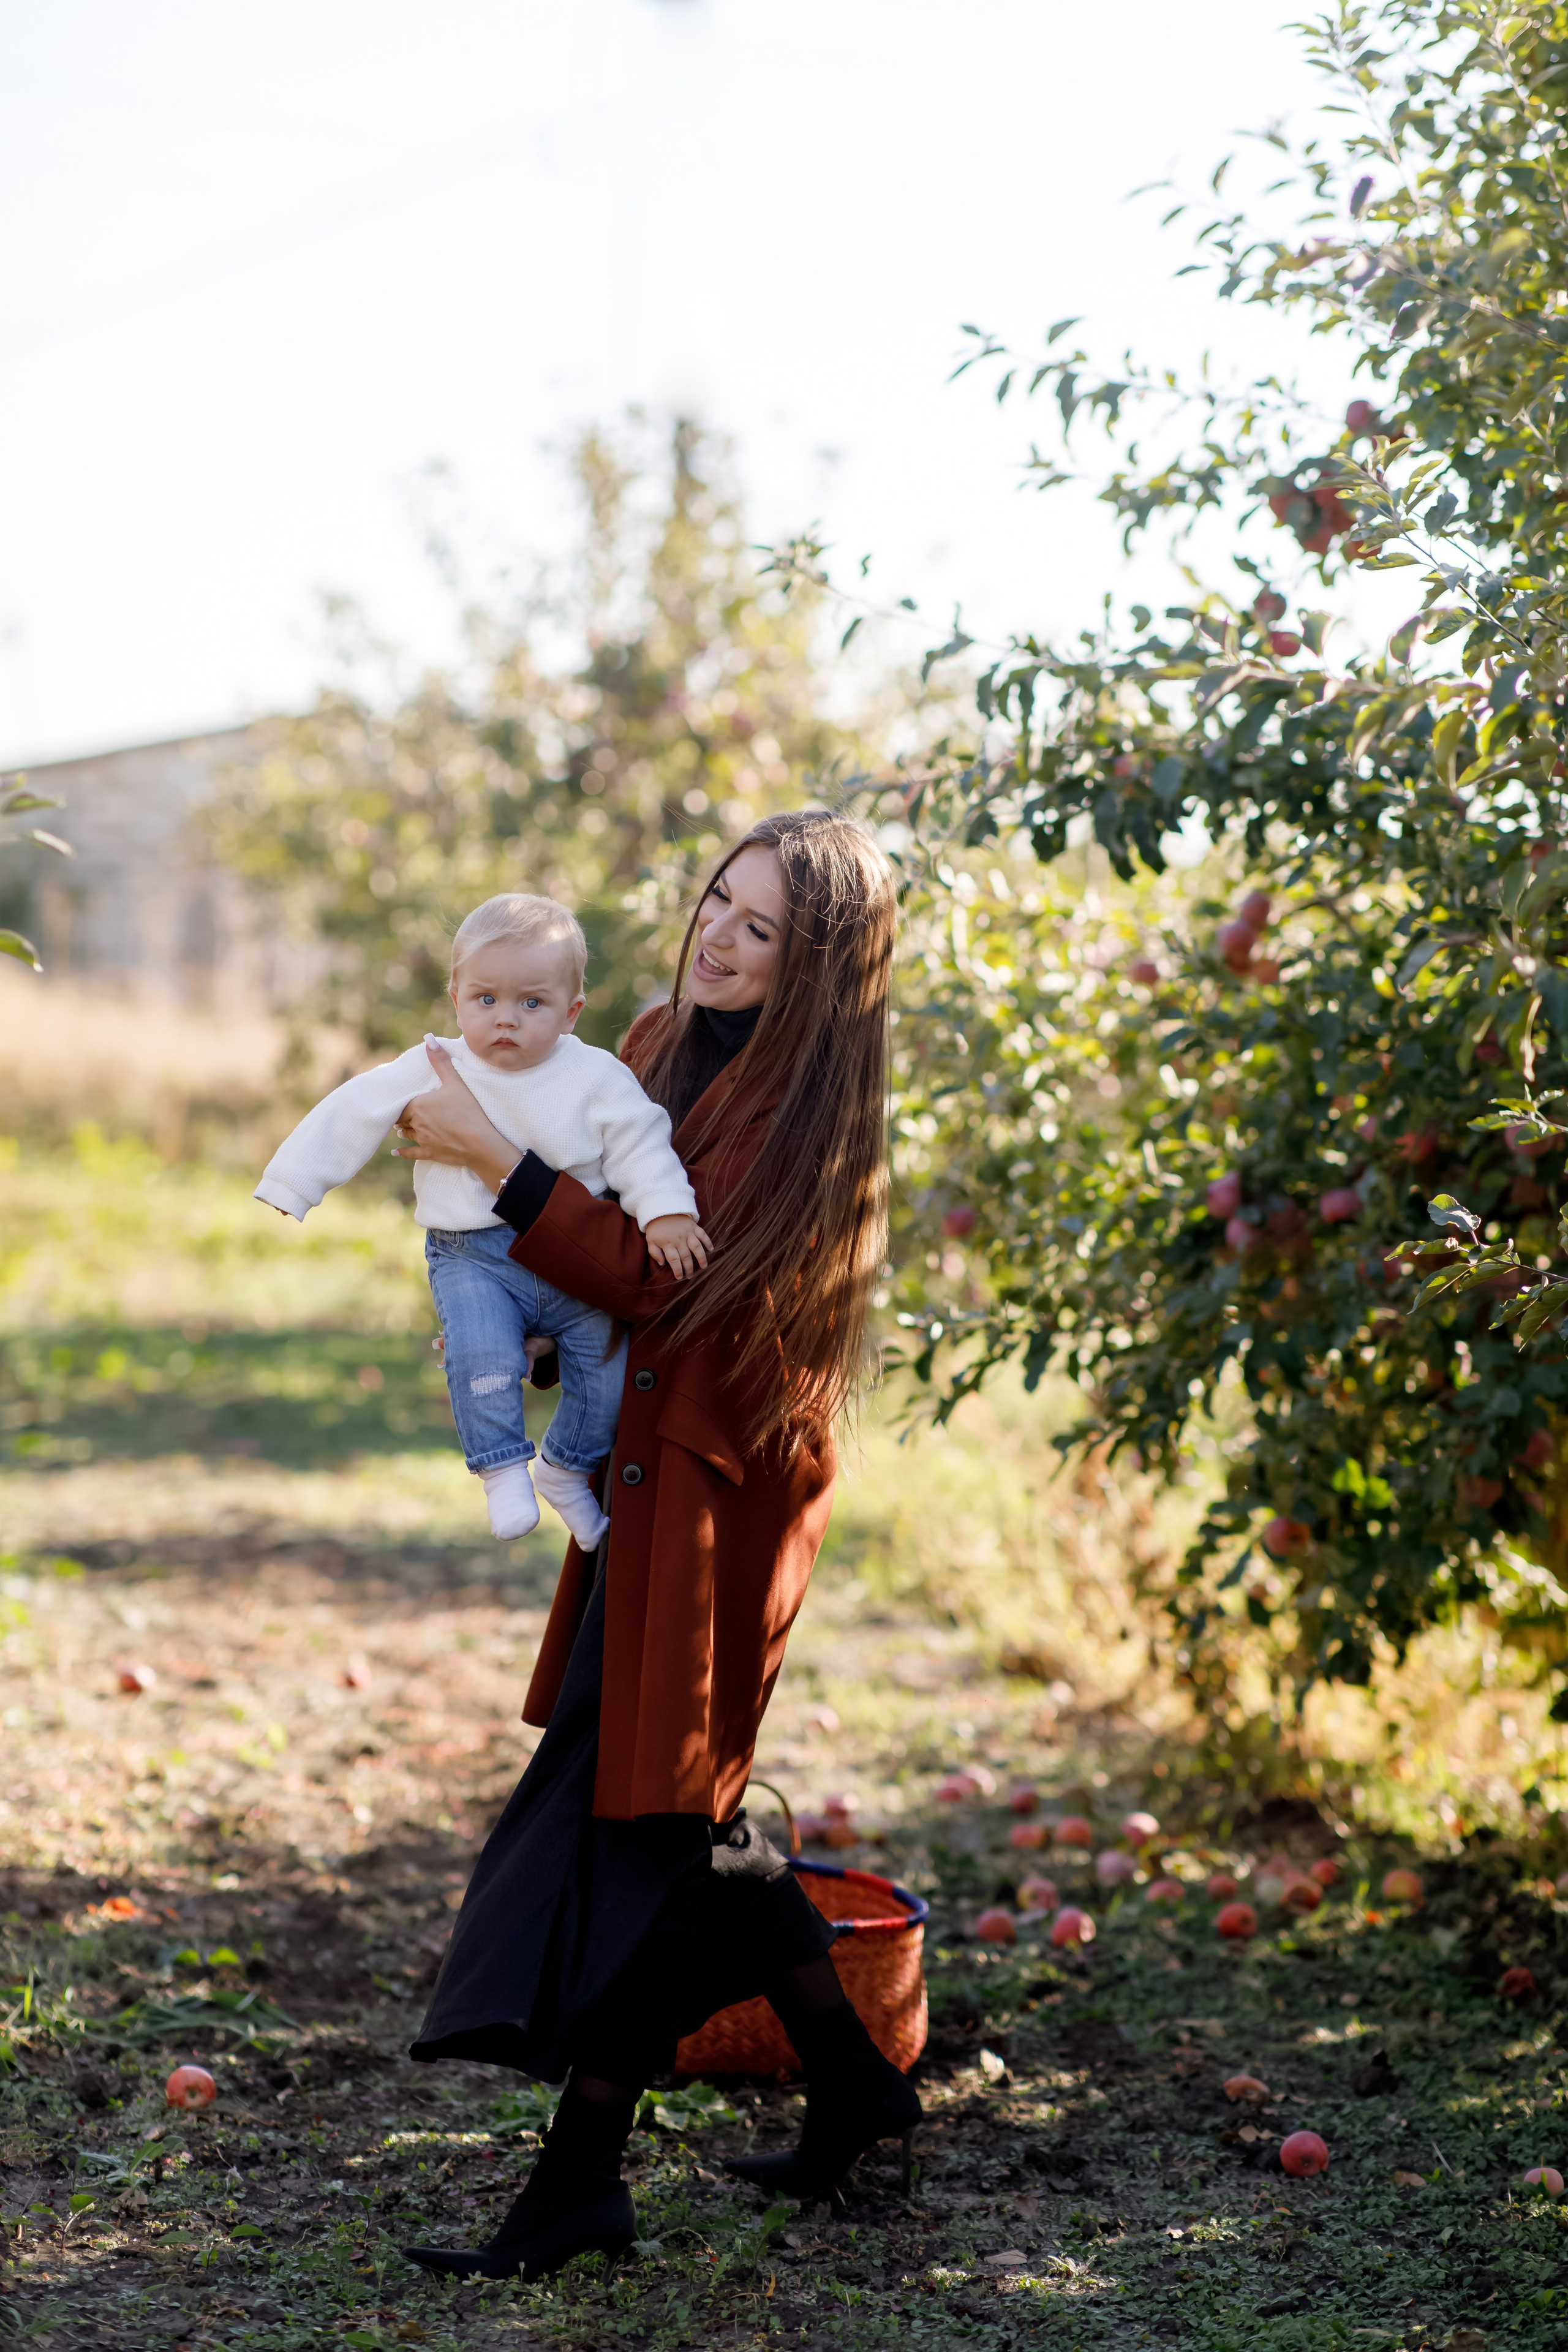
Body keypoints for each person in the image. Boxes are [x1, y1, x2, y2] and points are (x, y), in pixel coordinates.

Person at [391, 811, 919, 2283]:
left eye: (762, 929)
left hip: (721, 1495)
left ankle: (578, 2181)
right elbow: (605, 1271)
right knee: (673, 1812)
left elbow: (665, 1284)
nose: (718, 939)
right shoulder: (647, 1042)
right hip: (646, 1465)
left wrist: (497, 1162)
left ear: (819, 968)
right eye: (716, 903)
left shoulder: (804, 1116)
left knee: (644, 1819)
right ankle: (852, 2082)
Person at [254, 892, 709, 1548]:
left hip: (573, 1259)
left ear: (572, 1011)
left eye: (532, 1003)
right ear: (456, 998)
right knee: (482, 1358)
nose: (505, 1019)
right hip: (472, 1256)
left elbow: (641, 1143)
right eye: (485, 999)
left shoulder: (596, 1075)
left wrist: (666, 1212)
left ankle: (565, 1468)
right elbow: (354, 1108)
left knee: (608, 1376)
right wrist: (295, 1182)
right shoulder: (437, 1063)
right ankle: (501, 1472)